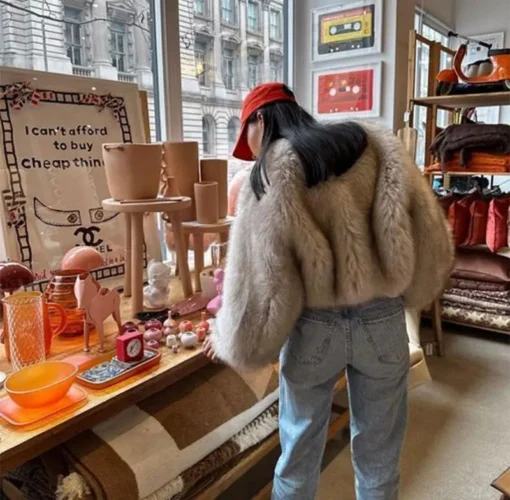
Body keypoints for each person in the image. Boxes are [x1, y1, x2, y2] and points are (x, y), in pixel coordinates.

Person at [203, 83, 454, 500]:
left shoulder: (269, 173)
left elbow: (262, 277)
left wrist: (230, 338)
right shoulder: (376, 144)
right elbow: (427, 232)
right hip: (382, 321)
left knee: (298, 456)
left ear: (260, 118)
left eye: (244, 131)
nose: (248, 146)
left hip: (314, 330)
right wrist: (412, 293)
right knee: (379, 458)